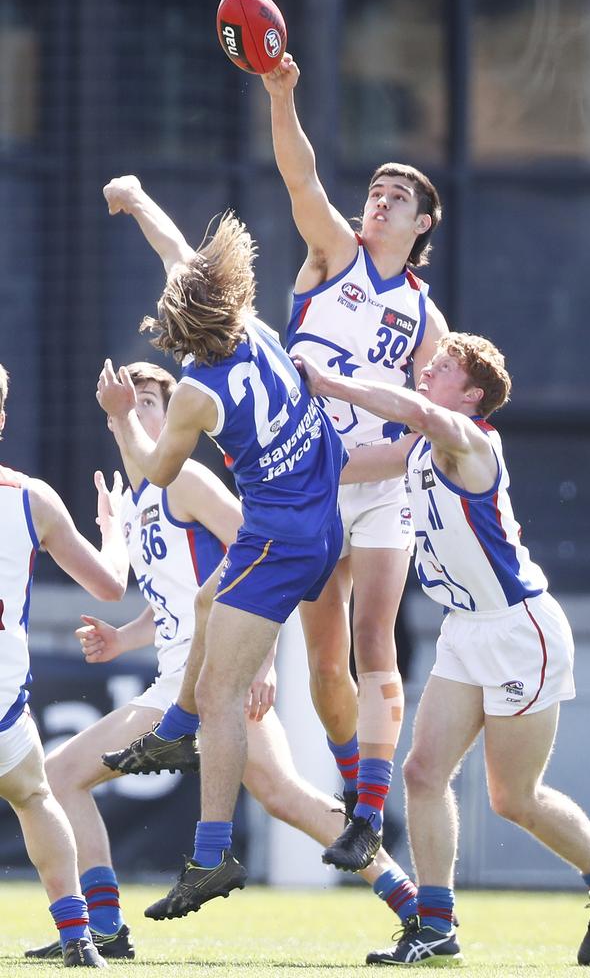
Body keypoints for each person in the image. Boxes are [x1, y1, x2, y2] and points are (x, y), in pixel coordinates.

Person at [27, 360, 422, 956]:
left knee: (59, 778)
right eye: (128, 404)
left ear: (175, 414)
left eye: (151, 403)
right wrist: (122, 638)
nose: (136, 412)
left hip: (217, 676)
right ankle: (413, 904)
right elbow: (178, 606)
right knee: (285, 795)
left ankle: (104, 930)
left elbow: (264, 555)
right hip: (183, 677)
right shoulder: (138, 503)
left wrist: (260, 664)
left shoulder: (183, 478)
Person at [293, 332, 590, 967]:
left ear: (473, 394)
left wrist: (332, 383)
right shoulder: (419, 448)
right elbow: (346, 468)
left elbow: (423, 415)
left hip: (519, 631)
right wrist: (264, 457)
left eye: (444, 367)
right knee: (422, 773)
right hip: (464, 629)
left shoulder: (469, 439)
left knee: (513, 798)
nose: (427, 371)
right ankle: (437, 927)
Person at [91, 174, 347, 921]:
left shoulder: (198, 392)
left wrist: (121, 417)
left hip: (280, 537)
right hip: (316, 514)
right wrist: (138, 198)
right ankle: (175, 731)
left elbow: (155, 472)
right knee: (209, 600)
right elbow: (178, 252)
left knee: (221, 695)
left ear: (180, 333)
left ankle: (210, 857)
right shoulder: (252, 324)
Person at [261, 53, 449, 872]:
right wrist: (281, 93)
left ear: (422, 225)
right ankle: (355, 793)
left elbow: (425, 429)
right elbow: (300, 172)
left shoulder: (424, 316)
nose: (379, 199)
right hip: (310, 480)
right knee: (323, 665)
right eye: (376, 189)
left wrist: (363, 466)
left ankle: (371, 814)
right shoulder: (333, 251)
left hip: (372, 482)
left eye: (397, 195)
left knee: (378, 637)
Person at [0, 363, 129, 968]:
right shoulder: (33, 499)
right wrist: (116, 531)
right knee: (33, 795)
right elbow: (109, 586)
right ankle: (78, 934)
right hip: (2, 697)